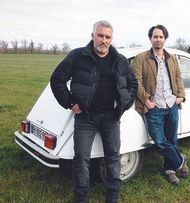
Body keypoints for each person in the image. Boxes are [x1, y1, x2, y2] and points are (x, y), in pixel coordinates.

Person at [50, 20, 137, 203]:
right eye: (100, 35)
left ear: (111, 39)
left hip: (111, 118)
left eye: (107, 37)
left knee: (113, 158)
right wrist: (71, 103)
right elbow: (57, 79)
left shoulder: (119, 60)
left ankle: (112, 198)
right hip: (85, 118)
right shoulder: (77, 56)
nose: (103, 40)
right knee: (81, 159)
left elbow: (133, 84)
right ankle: (81, 199)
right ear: (92, 36)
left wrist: (124, 104)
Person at [132, 24, 189, 185]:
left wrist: (181, 97)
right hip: (154, 107)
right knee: (159, 140)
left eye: (161, 36)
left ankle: (170, 170)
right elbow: (136, 82)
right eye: (155, 36)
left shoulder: (171, 58)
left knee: (172, 139)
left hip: (171, 105)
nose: (158, 39)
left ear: (165, 38)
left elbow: (178, 78)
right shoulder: (141, 58)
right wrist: (147, 101)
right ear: (150, 38)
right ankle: (181, 161)